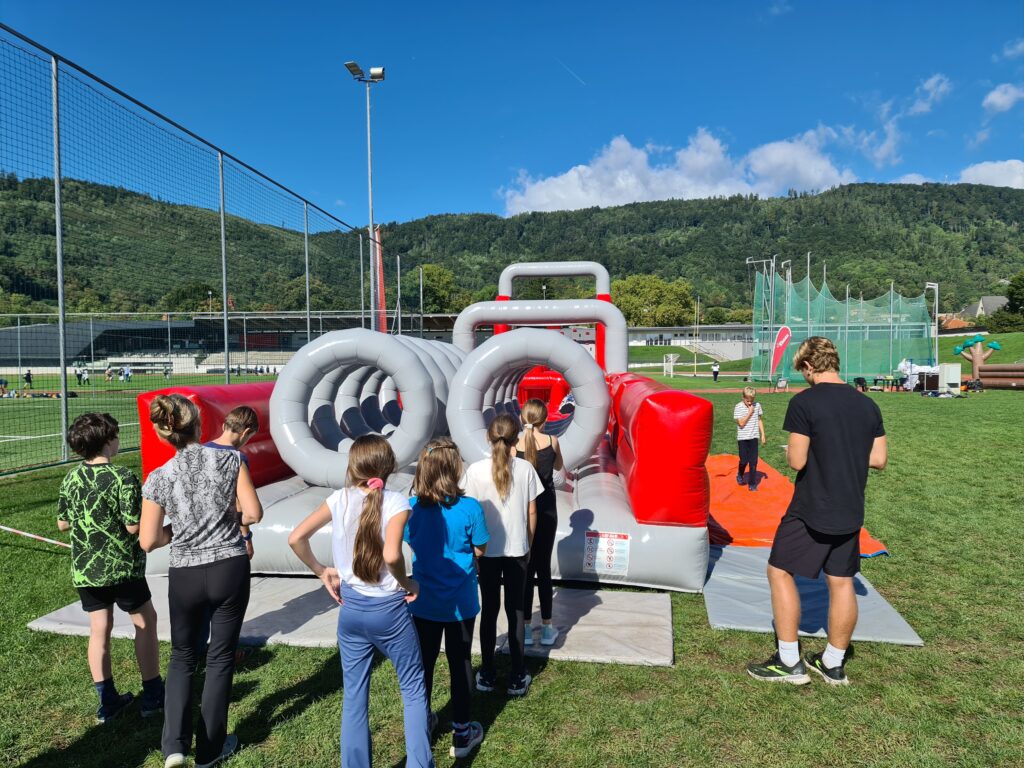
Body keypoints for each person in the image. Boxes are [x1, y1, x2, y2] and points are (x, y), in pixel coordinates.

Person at [747, 337, 887, 686]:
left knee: (779, 571)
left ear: (808, 367)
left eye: (802, 372)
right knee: (841, 582)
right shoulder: (868, 405)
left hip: (812, 507)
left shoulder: (804, 402)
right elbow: (879, 459)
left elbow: (797, 460)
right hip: (851, 508)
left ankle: (789, 660)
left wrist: (810, 447)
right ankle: (833, 664)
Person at [288, 435, 434, 768]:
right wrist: (407, 581)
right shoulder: (397, 502)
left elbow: (295, 537)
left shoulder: (338, 499)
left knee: (354, 697)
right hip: (390, 612)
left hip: (351, 610)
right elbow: (392, 554)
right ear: (389, 466)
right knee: (412, 690)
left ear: (352, 466)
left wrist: (321, 571)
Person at [140, 394, 263, 768]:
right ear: (200, 426)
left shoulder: (159, 477)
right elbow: (253, 512)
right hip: (228, 563)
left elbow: (148, 540)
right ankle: (210, 749)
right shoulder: (230, 459)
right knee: (221, 657)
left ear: (164, 435)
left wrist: (177, 530)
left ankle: (174, 746)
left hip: (185, 573)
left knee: (182, 657)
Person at [56, 412, 163, 723]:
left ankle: (107, 700)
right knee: (145, 621)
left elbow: (62, 523)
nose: (119, 440)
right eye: (115, 435)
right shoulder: (123, 477)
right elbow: (133, 527)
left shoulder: (71, 478)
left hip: (86, 571)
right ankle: (153, 694)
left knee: (99, 629)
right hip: (122, 569)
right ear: (105, 442)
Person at [405, 438, 489, 758]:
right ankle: (462, 734)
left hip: (423, 601)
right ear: (455, 467)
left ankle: (422, 724)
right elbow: (481, 548)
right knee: (461, 662)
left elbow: (405, 541)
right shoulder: (470, 508)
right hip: (461, 603)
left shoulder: (410, 508)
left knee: (423, 664)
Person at [464, 414, 541, 697]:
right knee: (516, 611)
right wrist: (528, 543)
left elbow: (470, 513)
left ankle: (486, 671)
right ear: (516, 439)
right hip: (517, 550)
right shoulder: (525, 469)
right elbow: (532, 512)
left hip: (487, 552)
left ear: (488, 437)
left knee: (490, 611)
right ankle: (517, 675)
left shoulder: (474, 471)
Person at [516, 399, 564, 647]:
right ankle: (546, 628)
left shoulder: (514, 446)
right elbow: (558, 466)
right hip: (545, 509)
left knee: (525, 568)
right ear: (545, 421)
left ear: (522, 419)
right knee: (543, 569)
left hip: (522, 510)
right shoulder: (552, 442)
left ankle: (524, 628)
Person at [733, 386, 766, 491]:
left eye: (752, 400)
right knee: (744, 460)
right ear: (743, 397)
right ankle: (740, 474)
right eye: (748, 401)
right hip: (743, 438)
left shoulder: (758, 406)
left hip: (753, 437)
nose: (750, 403)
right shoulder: (738, 407)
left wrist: (763, 434)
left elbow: (759, 420)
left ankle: (752, 484)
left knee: (753, 462)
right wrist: (750, 412)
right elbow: (741, 424)